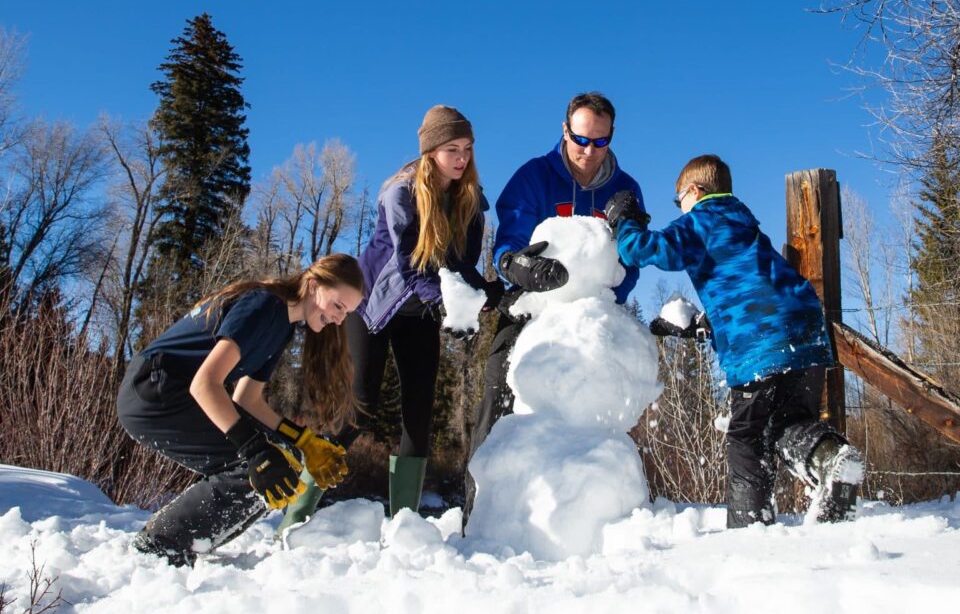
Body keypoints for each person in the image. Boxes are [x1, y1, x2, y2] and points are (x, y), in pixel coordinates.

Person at [605, 153, 864, 527]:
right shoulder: (745, 227)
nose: (680, 207)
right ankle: (830, 458)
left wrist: (623, 221)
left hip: (758, 345)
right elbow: (751, 290)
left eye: (679, 200)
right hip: (806, 336)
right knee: (788, 423)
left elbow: (643, 249)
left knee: (746, 437)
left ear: (694, 190)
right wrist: (702, 325)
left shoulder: (702, 220)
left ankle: (750, 527)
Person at [279, 105, 500, 532]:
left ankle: (405, 526)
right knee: (358, 410)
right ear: (430, 151)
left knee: (419, 414)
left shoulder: (471, 201)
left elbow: (462, 268)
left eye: (468, 149)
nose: (461, 158)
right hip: (369, 308)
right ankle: (297, 511)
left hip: (420, 312)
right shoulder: (399, 192)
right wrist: (449, 301)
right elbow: (410, 264)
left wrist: (487, 294)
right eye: (452, 148)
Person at [462, 92, 646, 528]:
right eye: (581, 138)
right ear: (565, 131)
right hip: (530, 305)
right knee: (498, 394)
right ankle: (476, 514)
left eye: (600, 142)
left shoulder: (626, 189)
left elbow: (631, 260)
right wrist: (514, 264)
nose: (588, 151)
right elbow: (510, 236)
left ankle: (609, 513)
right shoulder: (534, 176)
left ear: (611, 138)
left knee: (609, 398)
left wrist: (611, 298)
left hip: (593, 314)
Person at [116, 254, 364, 566]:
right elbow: (205, 384)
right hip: (153, 391)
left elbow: (249, 400)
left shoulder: (282, 326)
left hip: (171, 394)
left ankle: (188, 543)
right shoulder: (263, 306)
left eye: (347, 314)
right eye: (338, 306)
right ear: (313, 285)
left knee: (281, 463)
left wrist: (304, 441)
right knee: (257, 466)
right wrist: (256, 452)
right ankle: (159, 546)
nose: (340, 320)